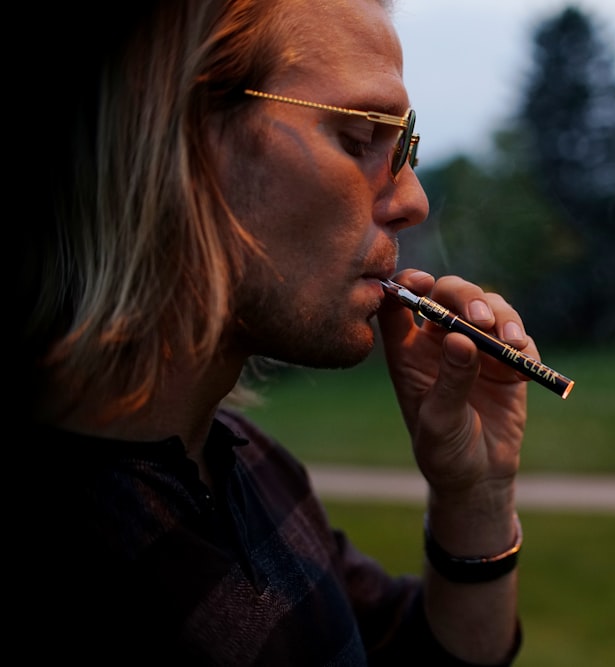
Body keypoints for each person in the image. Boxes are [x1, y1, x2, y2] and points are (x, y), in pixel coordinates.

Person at [15, 0, 533, 664]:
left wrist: (476, 497)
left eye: (403, 145)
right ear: (182, 132)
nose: (412, 200)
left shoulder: (248, 460)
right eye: (361, 137)